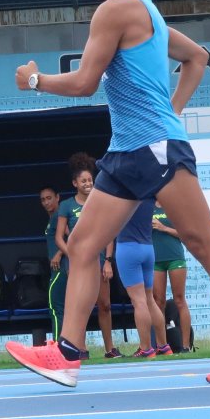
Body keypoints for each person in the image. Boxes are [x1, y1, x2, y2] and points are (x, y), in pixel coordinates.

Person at [8, 0, 210, 387]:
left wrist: (34, 81)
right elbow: (198, 57)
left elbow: (84, 83)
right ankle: (69, 352)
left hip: (153, 148)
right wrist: (171, 112)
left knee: (201, 242)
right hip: (127, 152)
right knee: (82, 245)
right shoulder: (147, 12)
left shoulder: (116, 10)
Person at [55, 153, 119, 358]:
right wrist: (72, 256)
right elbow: (59, 237)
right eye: (83, 181)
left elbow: (109, 233)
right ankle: (80, 349)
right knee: (81, 307)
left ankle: (110, 349)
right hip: (76, 263)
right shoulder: (66, 206)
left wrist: (108, 261)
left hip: (100, 261)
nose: (88, 183)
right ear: (75, 183)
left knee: (105, 305)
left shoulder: (99, 201)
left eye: (90, 180)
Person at [114, 198, 172, 357]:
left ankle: (146, 348)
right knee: (149, 299)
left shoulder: (121, 192)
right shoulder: (148, 193)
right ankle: (163, 346)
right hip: (147, 247)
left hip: (128, 247)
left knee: (138, 301)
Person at [152, 199, 192, 353]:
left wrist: (164, 228)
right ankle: (161, 345)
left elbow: (185, 235)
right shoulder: (147, 207)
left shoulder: (174, 206)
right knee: (158, 301)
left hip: (175, 258)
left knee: (179, 300)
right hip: (155, 259)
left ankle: (186, 345)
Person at [40, 185, 69, 341]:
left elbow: (73, 237)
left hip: (61, 268)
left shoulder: (59, 216)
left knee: (55, 307)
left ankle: (59, 346)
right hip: (57, 269)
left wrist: (59, 253)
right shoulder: (53, 218)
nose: (46, 202)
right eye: (43, 200)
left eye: (49, 198)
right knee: (63, 309)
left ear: (58, 197)